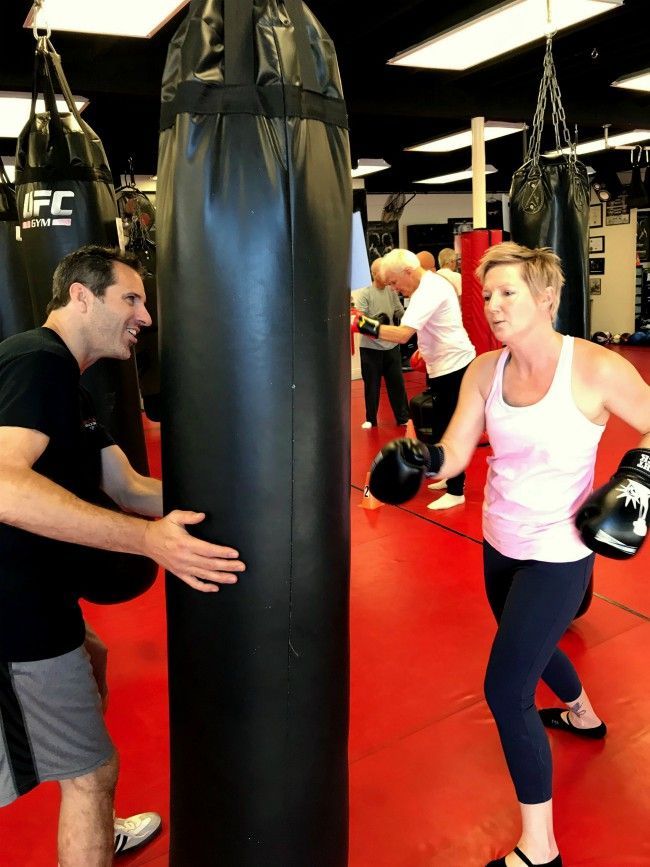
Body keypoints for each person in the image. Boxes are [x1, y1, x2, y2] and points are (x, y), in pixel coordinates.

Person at [369, 242, 650, 867]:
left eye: (508, 294)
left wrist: (638, 477)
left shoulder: (596, 369)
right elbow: (458, 451)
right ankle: (581, 713)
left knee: (506, 689)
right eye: (487, 295)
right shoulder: (483, 371)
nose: (493, 306)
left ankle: (539, 850)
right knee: (535, 645)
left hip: (561, 550)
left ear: (547, 297)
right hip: (500, 542)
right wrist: (423, 462)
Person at [0, 245, 246, 866]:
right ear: (81, 296)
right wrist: (146, 540)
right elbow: (2, 482)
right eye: (130, 299)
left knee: (94, 655)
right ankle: (92, 821)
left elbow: (131, 486)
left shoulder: (72, 390)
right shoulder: (38, 361)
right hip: (12, 607)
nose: (145, 316)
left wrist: (251, 498)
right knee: (92, 770)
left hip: (38, 592)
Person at [353, 248, 476, 510]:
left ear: (408, 271)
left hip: (455, 367)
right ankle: (448, 474)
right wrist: (427, 349)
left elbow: (401, 335)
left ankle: (457, 490)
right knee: (440, 426)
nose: (396, 290)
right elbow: (436, 326)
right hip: (443, 365)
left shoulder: (428, 290)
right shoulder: (429, 286)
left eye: (396, 282)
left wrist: (362, 325)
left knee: (449, 427)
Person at [354, 257, 409, 429]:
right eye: (382, 272)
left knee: (397, 383)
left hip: (391, 345)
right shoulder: (365, 294)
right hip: (371, 348)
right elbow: (359, 321)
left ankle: (403, 417)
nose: (386, 275)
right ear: (375, 274)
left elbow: (400, 312)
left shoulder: (391, 291)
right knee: (372, 385)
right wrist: (376, 327)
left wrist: (410, 321)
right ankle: (371, 419)